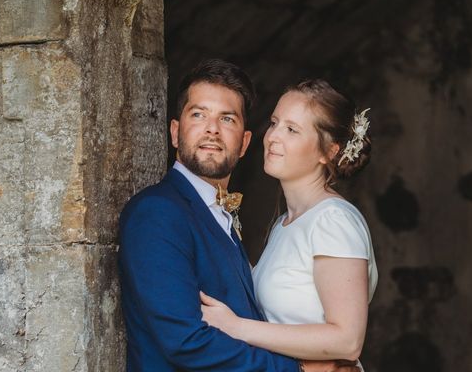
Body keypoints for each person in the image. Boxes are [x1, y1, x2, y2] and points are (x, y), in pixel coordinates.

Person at [118, 59, 360, 371]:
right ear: (175, 133)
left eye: (227, 119)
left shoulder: (220, 214)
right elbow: (186, 342)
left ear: (244, 143)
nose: (212, 129)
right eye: (198, 114)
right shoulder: (156, 212)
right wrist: (297, 369)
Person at [200, 79, 378, 368]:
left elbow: (347, 340)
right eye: (274, 123)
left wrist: (235, 326)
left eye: (292, 129)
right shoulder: (286, 223)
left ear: (329, 152)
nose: (272, 137)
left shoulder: (332, 221)